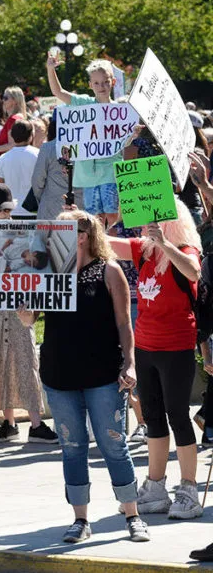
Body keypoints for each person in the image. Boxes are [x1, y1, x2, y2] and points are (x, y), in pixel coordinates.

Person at [16, 210, 149, 543]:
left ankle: (132, 514)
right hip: (59, 374)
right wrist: (23, 290)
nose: (54, 233)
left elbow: (124, 323)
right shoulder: (48, 274)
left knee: (113, 444)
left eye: (63, 228)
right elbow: (27, 319)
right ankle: (80, 519)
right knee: (72, 447)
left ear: (84, 235)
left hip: (103, 373)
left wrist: (130, 364)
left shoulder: (109, 271)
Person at [108, 202, 204, 519]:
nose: (147, 224)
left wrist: (164, 244)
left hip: (176, 347)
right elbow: (107, 246)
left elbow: (193, 270)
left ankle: (188, 488)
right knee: (152, 416)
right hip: (146, 347)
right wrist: (108, 221)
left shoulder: (184, 248)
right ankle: (155, 485)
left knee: (178, 415)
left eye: (156, 219)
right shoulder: (145, 251)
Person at [0, 185, 58, 444]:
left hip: (19, 301)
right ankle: (8, 421)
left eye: (8, 210)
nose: (5, 215)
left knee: (24, 356)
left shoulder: (22, 231)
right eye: (0, 210)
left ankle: (36, 422)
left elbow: (35, 263)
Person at [46, 56, 121, 227]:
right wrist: (50, 69)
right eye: (96, 83)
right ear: (90, 85)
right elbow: (58, 92)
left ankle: (112, 247)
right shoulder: (84, 103)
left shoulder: (120, 111)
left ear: (113, 82)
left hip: (111, 171)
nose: (101, 86)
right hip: (88, 174)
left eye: (105, 82)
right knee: (94, 218)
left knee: (112, 214)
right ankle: (99, 248)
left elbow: (125, 140)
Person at [0, 120, 39, 218]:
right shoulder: (39, 155)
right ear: (31, 135)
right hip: (34, 210)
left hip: (11, 211)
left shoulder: (3, 158)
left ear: (12, 136)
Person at [30, 117, 71, 221]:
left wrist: (43, 198)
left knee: (48, 237)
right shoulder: (86, 148)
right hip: (79, 206)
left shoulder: (47, 148)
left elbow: (37, 180)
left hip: (51, 206)